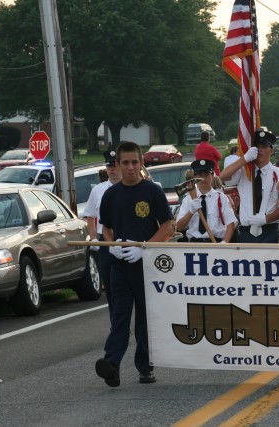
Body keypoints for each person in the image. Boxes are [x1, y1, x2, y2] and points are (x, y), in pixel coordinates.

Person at [95, 141, 175, 387]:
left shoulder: (152, 191)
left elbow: (168, 226)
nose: (130, 168)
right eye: (125, 163)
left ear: (142, 164)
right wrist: (114, 246)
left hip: (146, 264)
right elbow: (105, 227)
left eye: (134, 162)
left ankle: (145, 366)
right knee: (120, 315)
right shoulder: (111, 194)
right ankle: (112, 364)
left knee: (145, 319)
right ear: (117, 165)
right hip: (119, 265)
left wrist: (144, 247)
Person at [220, 130, 279, 244]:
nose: (259, 150)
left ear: (271, 150)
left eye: (264, 147)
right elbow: (223, 176)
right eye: (257, 146)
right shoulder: (243, 172)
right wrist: (245, 158)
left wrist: (265, 219)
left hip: (269, 231)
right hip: (246, 232)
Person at [82, 150, 122, 318]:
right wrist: (92, 238)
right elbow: (90, 215)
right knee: (110, 285)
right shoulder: (98, 190)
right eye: (108, 166)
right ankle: (115, 321)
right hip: (104, 243)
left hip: (126, 240)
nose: (111, 169)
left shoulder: (128, 188)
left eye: (114, 166)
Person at [176, 159, 237, 243]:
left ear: (212, 176)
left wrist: (224, 244)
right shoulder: (188, 200)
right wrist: (191, 211)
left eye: (206, 175)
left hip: (215, 243)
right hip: (194, 245)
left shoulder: (221, 198)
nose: (203, 179)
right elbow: (179, 227)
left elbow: (231, 223)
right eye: (200, 175)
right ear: (195, 177)